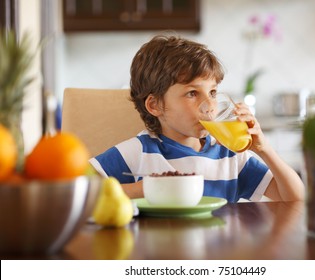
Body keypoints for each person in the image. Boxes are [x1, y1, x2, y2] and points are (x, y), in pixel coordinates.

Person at [89, 34, 304, 203]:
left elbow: (296, 199)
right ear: (155, 105)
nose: (210, 106)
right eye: (192, 93)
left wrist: (264, 149)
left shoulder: (229, 157)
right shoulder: (139, 153)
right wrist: (144, 189)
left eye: (212, 93)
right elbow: (80, 191)